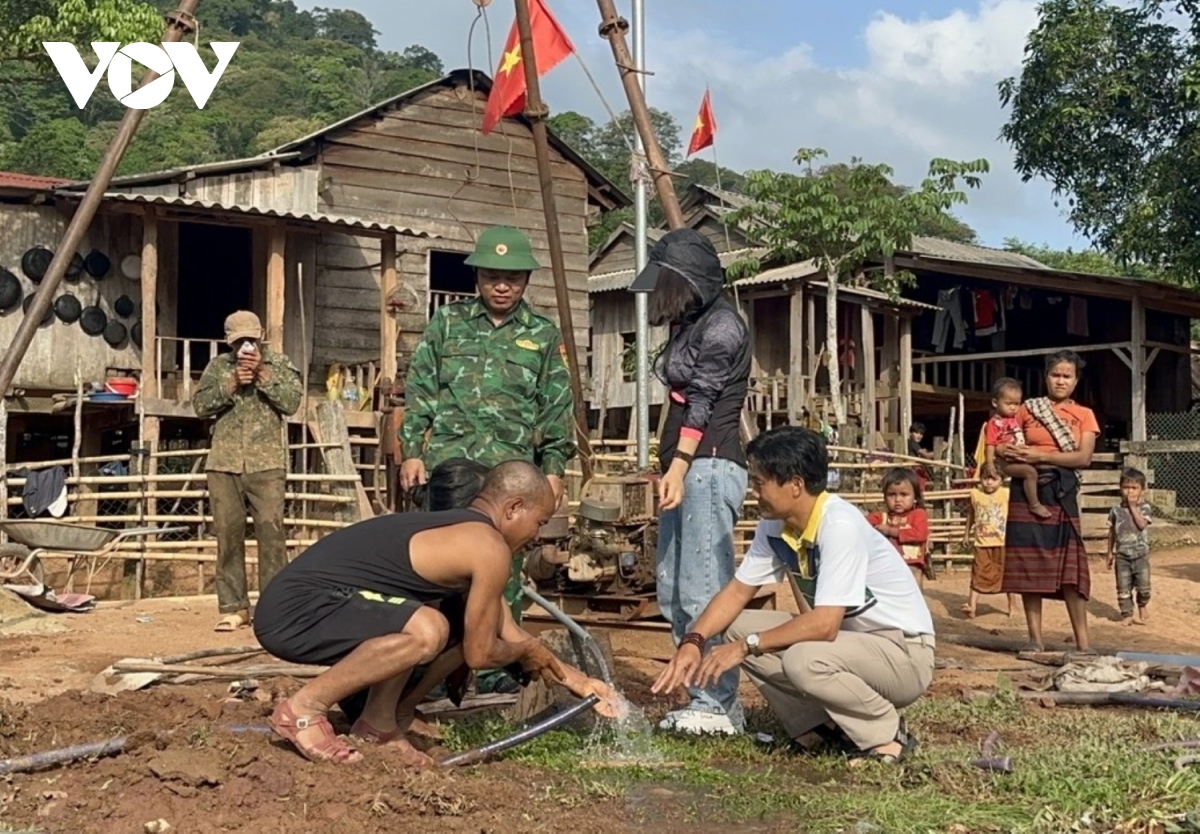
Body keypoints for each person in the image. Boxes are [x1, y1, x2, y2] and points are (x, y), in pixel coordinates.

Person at [254, 461, 618, 765]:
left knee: (446, 618)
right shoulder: (488, 547)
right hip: (295, 610)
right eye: (539, 522)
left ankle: (379, 725)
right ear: (513, 508)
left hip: (312, 604)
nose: (537, 535)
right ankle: (303, 709)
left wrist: (582, 683)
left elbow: (509, 631)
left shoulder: (468, 533)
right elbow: (482, 653)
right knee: (427, 629)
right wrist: (526, 653)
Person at [651, 426, 935, 765]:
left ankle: (886, 736)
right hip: (853, 646)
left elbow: (826, 625)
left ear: (795, 485)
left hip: (904, 653)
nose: (753, 492)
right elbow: (738, 591)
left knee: (800, 658)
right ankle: (818, 726)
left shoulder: (839, 525)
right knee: (738, 626)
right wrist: (694, 640)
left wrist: (746, 647)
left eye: (759, 482)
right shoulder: (776, 525)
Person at [398, 225, 575, 694]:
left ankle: (496, 668)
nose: (503, 286)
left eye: (513, 278)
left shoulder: (541, 334)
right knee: (440, 566)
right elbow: (420, 392)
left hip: (511, 479)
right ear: (477, 276)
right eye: (494, 276)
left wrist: (554, 469)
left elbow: (556, 406)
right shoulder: (447, 324)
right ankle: (432, 664)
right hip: (451, 472)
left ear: (524, 282)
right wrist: (412, 450)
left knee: (505, 570)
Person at [628, 228, 752, 736]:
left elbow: (702, 398)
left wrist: (678, 466)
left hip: (708, 464)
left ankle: (717, 703)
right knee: (674, 586)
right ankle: (703, 696)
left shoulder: (722, 325)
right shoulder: (692, 322)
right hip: (685, 467)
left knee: (704, 584)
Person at [338, 458, 490, 738]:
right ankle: (386, 712)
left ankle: (399, 707)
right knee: (436, 628)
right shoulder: (431, 545)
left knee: (463, 627)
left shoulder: (453, 543)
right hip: (367, 662)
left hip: (378, 655)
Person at [193, 311, 301, 633]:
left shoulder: (279, 364)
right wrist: (231, 384)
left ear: (261, 335)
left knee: (272, 537)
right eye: (239, 341)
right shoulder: (218, 368)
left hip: (266, 465)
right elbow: (200, 406)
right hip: (224, 463)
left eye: (250, 339)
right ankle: (234, 608)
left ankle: (274, 608)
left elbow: (292, 403)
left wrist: (262, 376)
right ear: (229, 342)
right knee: (227, 537)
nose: (245, 347)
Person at [997, 349, 1099, 654]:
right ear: (1046, 377)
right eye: (1055, 375)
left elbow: (1083, 457)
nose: (1060, 381)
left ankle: (1083, 644)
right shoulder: (1028, 409)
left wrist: (1040, 454)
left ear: (1076, 380)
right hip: (1026, 493)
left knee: (1072, 570)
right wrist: (1005, 452)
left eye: (1067, 376)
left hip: (1062, 492)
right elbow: (1001, 436)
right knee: (1030, 567)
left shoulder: (1084, 415)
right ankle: (1035, 640)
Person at [984, 377, 1049, 519]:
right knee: (1030, 472)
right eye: (1008, 403)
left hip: (1018, 457)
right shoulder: (994, 423)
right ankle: (1034, 505)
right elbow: (990, 444)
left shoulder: (1014, 419)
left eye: (1016, 404)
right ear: (995, 402)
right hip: (1004, 462)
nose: (1013, 407)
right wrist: (990, 464)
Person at [962, 471, 1018, 619]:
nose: (989, 482)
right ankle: (972, 606)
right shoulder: (975, 494)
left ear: (1001, 480)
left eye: (994, 479)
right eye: (986, 478)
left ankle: (1013, 606)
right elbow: (971, 514)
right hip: (982, 541)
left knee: (1006, 573)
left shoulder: (1006, 494)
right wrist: (966, 533)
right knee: (978, 571)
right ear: (981, 479)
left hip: (1003, 541)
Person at [867, 468, 931, 588]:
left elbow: (920, 534)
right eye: (892, 495)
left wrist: (891, 531)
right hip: (889, 565)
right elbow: (862, 522)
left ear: (915, 497)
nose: (897, 500)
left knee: (913, 590)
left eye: (904, 494)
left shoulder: (918, 514)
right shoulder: (882, 517)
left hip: (911, 564)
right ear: (884, 497)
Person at [1106, 467, 1152, 626]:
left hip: (1140, 554)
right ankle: (1127, 614)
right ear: (1120, 488)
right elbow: (1112, 531)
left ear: (1142, 490)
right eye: (1126, 487)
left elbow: (1141, 525)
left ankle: (1142, 604)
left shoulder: (1145, 508)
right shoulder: (1115, 510)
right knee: (1123, 588)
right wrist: (1109, 553)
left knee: (1144, 587)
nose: (1130, 491)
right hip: (1122, 555)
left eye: (1134, 488)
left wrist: (1133, 507)